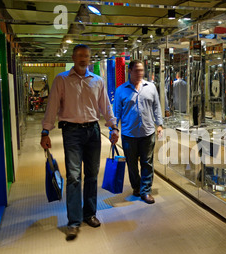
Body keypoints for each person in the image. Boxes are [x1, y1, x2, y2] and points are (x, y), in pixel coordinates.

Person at [40, 44, 119, 241]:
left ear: (90, 59)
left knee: (92, 174)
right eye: (80, 55)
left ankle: (89, 214)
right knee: (74, 177)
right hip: (72, 132)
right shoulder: (62, 79)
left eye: (87, 56)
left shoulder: (98, 81)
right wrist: (45, 131)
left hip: (93, 131)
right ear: (73, 58)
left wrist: (113, 127)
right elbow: (52, 106)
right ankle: (74, 221)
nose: (84, 58)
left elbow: (105, 107)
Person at [113, 60, 164, 204]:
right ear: (129, 71)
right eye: (137, 70)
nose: (140, 73)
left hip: (148, 132)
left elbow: (156, 107)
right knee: (132, 164)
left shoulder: (151, 87)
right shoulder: (121, 90)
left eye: (142, 70)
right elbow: (116, 112)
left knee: (147, 163)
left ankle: (145, 190)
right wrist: (114, 129)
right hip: (129, 134)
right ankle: (136, 186)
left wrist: (159, 124)